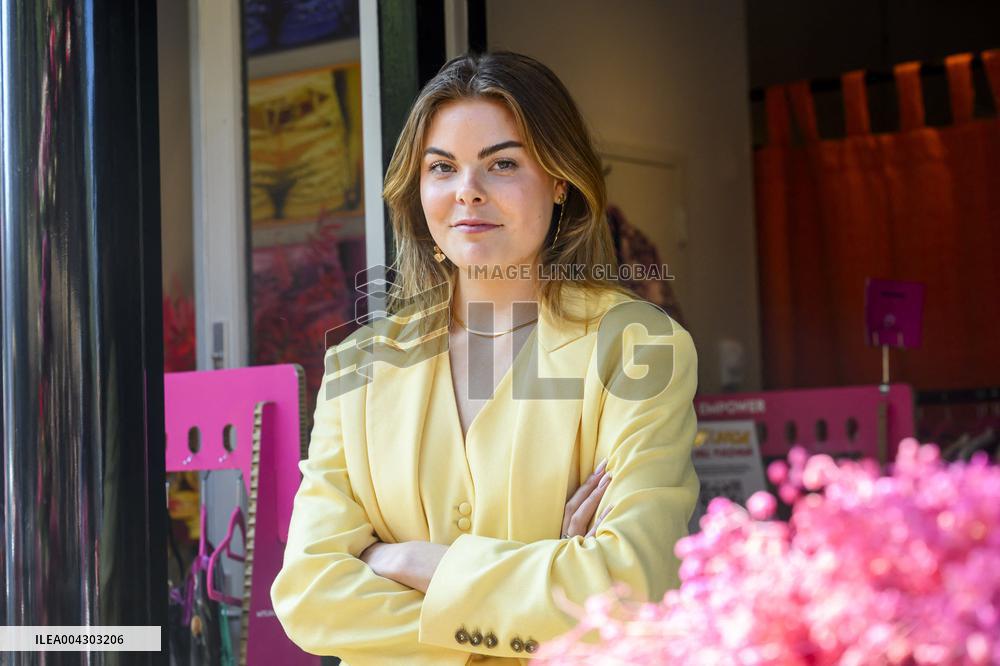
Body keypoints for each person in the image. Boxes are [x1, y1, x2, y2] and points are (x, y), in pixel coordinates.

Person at [269, 51, 700, 665]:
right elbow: (310, 597)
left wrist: (409, 561)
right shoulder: (359, 363)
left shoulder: (635, 348)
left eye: (501, 164)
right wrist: (543, 579)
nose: (467, 192)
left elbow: (630, 592)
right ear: (417, 189)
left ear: (559, 180)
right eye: (442, 167)